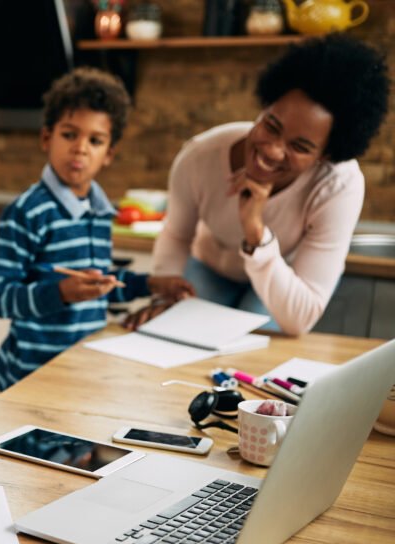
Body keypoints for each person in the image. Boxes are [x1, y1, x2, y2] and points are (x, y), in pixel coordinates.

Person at [132, 34, 390, 335]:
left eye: (300, 147)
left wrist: (255, 230)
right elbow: (176, 235)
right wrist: (163, 294)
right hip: (207, 269)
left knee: (253, 349)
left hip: (278, 281)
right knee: (175, 335)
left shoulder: (339, 186)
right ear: (265, 106)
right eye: (271, 125)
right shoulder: (200, 157)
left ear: (327, 155)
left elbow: (300, 318)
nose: (272, 150)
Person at [0, 67, 180, 391]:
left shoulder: (100, 212)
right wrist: (60, 293)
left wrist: (150, 284)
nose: (81, 148)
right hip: (30, 379)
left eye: (95, 140)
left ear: (109, 154)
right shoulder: (28, 211)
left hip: (82, 372)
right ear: (47, 138)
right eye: (70, 134)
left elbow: (97, 285)